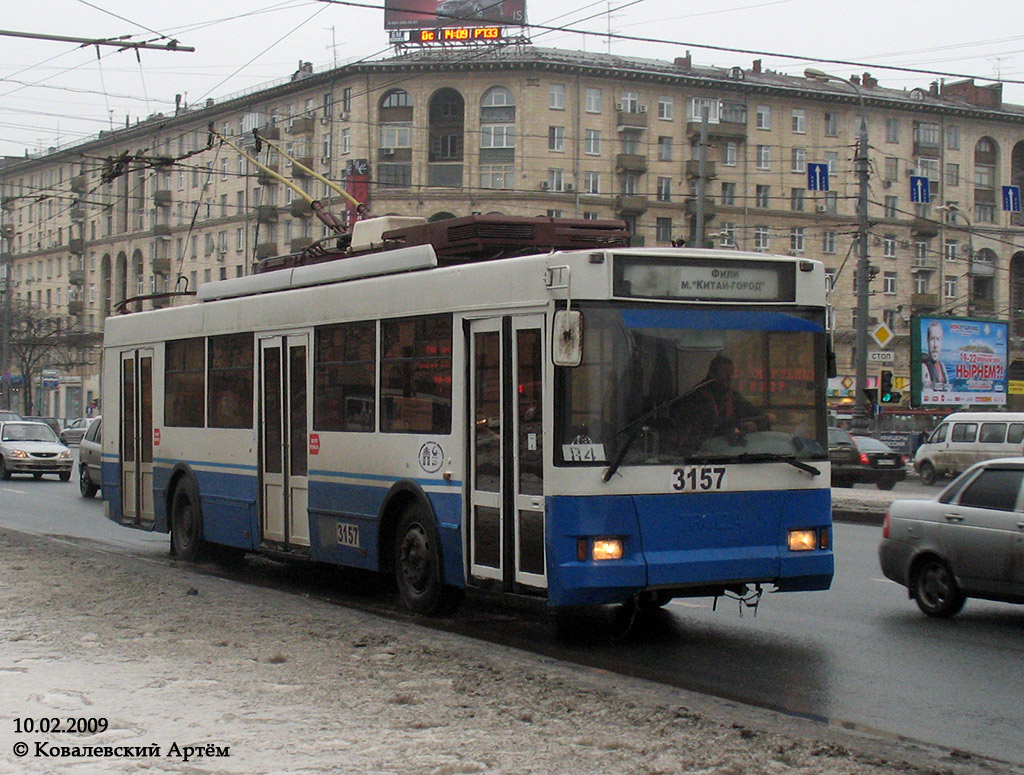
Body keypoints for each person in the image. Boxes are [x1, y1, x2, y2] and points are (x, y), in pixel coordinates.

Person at [672, 355, 766, 447]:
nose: (729, 377)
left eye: (731, 373)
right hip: (703, 451)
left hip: (728, 451)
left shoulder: (732, 396)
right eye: (725, 372)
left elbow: (757, 414)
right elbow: (707, 428)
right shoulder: (695, 398)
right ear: (712, 374)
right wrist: (734, 427)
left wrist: (755, 423)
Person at [921, 320, 949, 390]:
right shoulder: (923, 366)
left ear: (941, 342)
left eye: (938, 339)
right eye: (932, 339)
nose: (935, 345)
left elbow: (948, 388)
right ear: (927, 341)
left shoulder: (942, 366)